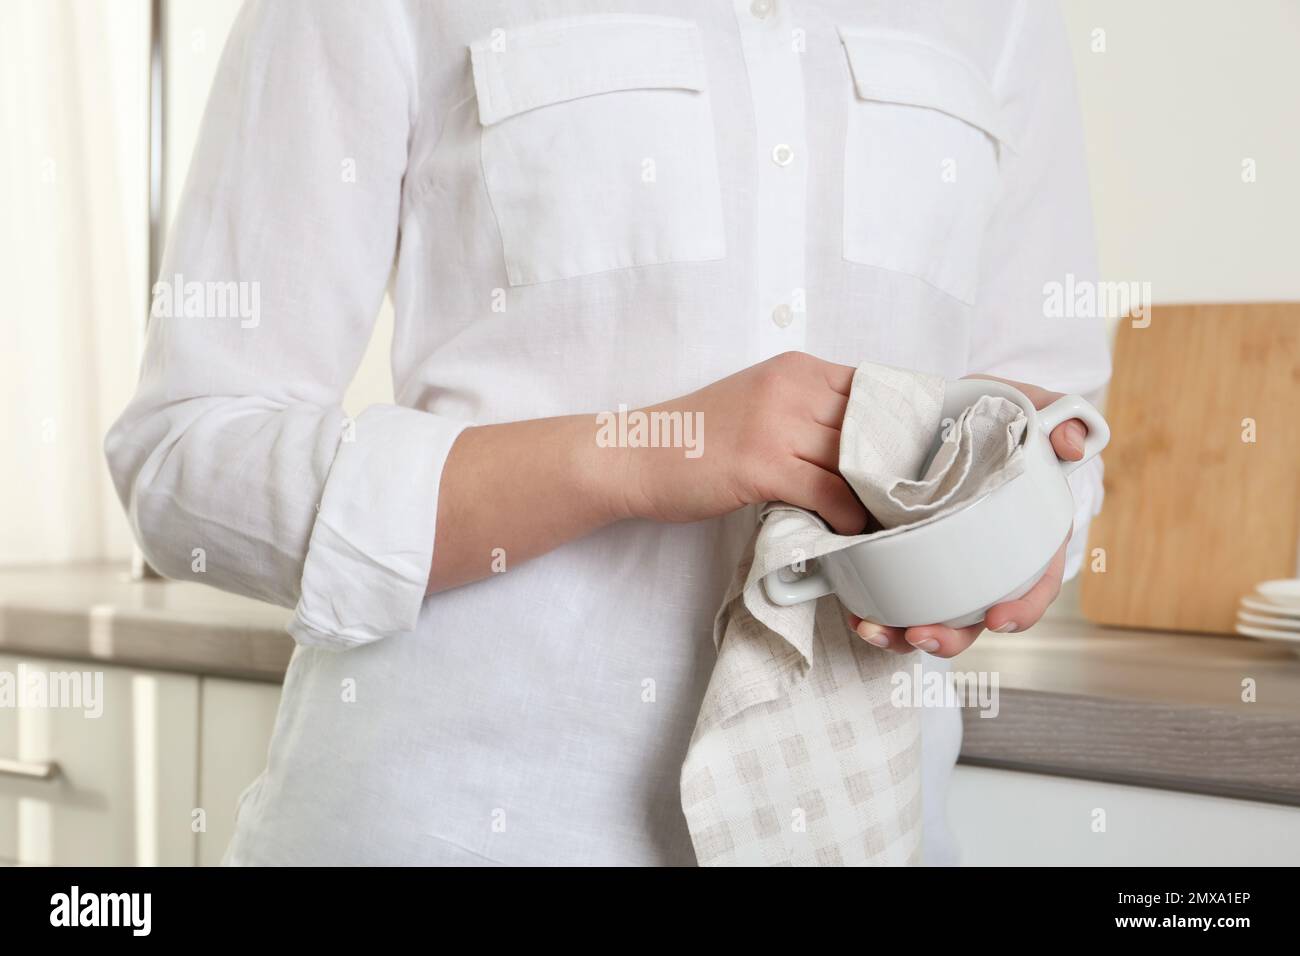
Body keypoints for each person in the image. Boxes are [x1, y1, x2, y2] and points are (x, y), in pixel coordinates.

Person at [105, 0, 1109, 866]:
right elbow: (188, 461)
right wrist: (639, 449)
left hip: (867, 820)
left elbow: (1047, 408)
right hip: (454, 824)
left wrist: (1019, 532)